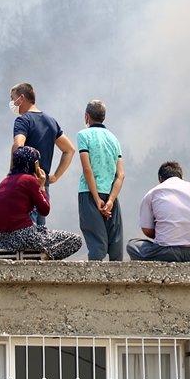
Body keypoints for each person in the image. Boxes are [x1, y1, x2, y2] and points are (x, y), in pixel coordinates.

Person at [0, 146, 82, 259]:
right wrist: (42, 185)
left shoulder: (3, 182)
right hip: (24, 237)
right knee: (75, 240)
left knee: (41, 231)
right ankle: (46, 261)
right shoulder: (29, 180)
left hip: (1, 240)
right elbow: (45, 210)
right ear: (34, 163)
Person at [9, 82, 76, 225]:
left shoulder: (23, 120)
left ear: (21, 98)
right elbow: (69, 150)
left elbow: (18, 145)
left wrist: (11, 176)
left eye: (13, 98)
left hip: (25, 184)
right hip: (43, 185)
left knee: (26, 230)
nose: (12, 103)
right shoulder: (51, 121)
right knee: (41, 231)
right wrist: (55, 176)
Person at [127, 161, 190, 262]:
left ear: (160, 178)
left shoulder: (153, 193)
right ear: (181, 176)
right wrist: (186, 229)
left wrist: (166, 233)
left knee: (132, 245)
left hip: (166, 253)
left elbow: (147, 230)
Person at [76, 99, 126, 261]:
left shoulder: (83, 135)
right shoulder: (113, 139)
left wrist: (97, 198)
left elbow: (87, 169)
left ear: (87, 116)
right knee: (115, 244)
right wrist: (110, 200)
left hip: (89, 194)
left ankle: (95, 277)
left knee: (97, 243)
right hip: (111, 196)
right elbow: (120, 175)